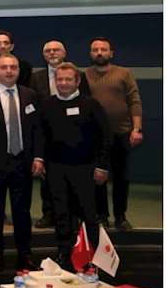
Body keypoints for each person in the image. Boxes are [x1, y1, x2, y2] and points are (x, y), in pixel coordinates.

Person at [36, 63, 111, 270]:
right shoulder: (46, 105)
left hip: (85, 168)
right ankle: (64, 252)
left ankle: (93, 255)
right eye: (59, 79)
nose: (63, 83)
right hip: (56, 169)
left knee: (88, 213)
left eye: (68, 79)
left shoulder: (91, 104)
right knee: (61, 212)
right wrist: (39, 159)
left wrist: (102, 166)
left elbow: (105, 136)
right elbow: (40, 136)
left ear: (77, 81)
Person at [0, 54, 44, 271]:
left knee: (22, 211)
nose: (9, 71)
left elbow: (37, 129)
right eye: (4, 67)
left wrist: (38, 157)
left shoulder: (30, 95)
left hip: (23, 162)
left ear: (19, 70)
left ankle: (25, 255)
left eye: (13, 67)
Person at [28, 41, 90, 229]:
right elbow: (32, 103)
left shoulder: (79, 75)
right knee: (47, 179)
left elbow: (85, 100)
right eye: (48, 51)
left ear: (64, 53)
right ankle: (48, 214)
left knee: (74, 182)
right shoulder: (36, 77)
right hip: (47, 134)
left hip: (74, 136)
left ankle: (75, 216)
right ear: (43, 55)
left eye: (56, 50)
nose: (52, 53)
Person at [84, 37, 143, 232]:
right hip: (95, 136)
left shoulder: (124, 73)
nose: (99, 53)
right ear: (91, 54)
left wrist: (137, 129)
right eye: (95, 50)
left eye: (103, 49)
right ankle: (102, 216)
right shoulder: (84, 75)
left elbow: (134, 101)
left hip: (121, 133)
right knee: (97, 178)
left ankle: (120, 216)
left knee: (121, 178)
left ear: (111, 53)